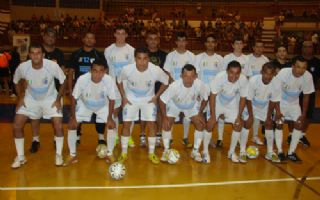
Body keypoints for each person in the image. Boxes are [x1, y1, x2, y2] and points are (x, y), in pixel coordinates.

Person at [11, 44, 66, 168]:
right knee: (16, 125)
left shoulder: (52, 66)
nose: (36, 55)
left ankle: (58, 154)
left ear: (43, 54)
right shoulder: (23, 67)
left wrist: (58, 100)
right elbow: (15, 81)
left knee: (58, 125)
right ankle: (20, 157)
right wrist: (20, 97)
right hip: (30, 99)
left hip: (50, 98)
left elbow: (63, 81)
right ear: (29, 55)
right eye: (33, 53)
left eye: (38, 53)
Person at [117, 48, 169, 164]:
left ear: (148, 59)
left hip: (148, 100)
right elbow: (119, 80)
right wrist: (124, 97)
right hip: (130, 99)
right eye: (139, 58)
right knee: (126, 124)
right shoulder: (127, 69)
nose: (142, 62)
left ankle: (151, 153)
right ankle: (124, 152)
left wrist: (156, 97)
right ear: (135, 59)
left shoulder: (155, 70)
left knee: (151, 125)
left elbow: (166, 82)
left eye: (145, 58)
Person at [63, 59, 117, 166]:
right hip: (85, 105)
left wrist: (110, 117)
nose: (98, 74)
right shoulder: (82, 79)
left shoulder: (109, 80)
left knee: (111, 125)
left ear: (105, 71)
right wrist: (73, 117)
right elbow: (73, 98)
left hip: (102, 105)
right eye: (95, 71)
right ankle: (72, 155)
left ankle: (110, 154)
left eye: (101, 71)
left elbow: (112, 99)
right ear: (90, 71)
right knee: (72, 126)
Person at [160, 64, 208, 163]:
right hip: (175, 105)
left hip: (191, 106)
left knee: (200, 124)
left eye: (192, 76)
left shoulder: (200, 84)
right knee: (167, 124)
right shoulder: (174, 86)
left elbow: (205, 98)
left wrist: (200, 113)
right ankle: (166, 151)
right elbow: (162, 100)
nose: (189, 79)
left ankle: (195, 151)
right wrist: (164, 117)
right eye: (186, 76)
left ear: (196, 76)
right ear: (181, 76)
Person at [29, 28, 66, 153]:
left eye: (53, 36)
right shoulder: (37, 51)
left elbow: (62, 73)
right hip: (36, 92)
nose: (51, 38)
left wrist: (61, 94)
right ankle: (35, 140)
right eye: (48, 35)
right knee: (35, 117)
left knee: (56, 119)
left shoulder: (59, 53)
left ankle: (56, 138)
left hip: (54, 92)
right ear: (43, 36)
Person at [68, 31, 106, 145]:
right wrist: (70, 90)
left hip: (96, 89)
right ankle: (77, 135)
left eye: (92, 38)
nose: (89, 40)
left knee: (98, 113)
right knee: (78, 113)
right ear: (83, 39)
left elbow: (105, 72)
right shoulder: (76, 53)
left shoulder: (99, 54)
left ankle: (101, 137)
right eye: (87, 38)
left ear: (94, 41)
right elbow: (70, 72)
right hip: (80, 90)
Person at [274, 56, 315, 162]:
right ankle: (279, 152)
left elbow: (306, 96)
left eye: (304, 67)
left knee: (299, 124)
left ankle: (291, 153)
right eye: (298, 67)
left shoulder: (308, 76)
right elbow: (275, 92)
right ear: (292, 66)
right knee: (279, 124)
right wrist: (278, 111)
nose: (301, 70)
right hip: (281, 102)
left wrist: (303, 115)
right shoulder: (283, 73)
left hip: (294, 104)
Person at [207, 61, 248, 163]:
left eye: (237, 73)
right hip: (217, 102)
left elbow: (243, 98)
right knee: (210, 124)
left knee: (238, 125)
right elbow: (212, 96)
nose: (234, 76)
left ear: (240, 73)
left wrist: (239, 116)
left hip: (231, 103)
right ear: (227, 71)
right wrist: (213, 116)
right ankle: (204, 151)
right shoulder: (219, 77)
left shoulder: (243, 80)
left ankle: (231, 152)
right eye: (231, 72)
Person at [164, 32, 196, 148]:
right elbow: (166, 71)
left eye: (184, 41)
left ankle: (185, 138)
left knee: (187, 115)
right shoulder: (170, 56)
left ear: (186, 42)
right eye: (179, 41)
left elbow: (194, 73)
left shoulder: (192, 56)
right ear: (176, 42)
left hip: (188, 91)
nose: (181, 43)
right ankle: (170, 138)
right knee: (171, 115)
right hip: (174, 91)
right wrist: (174, 83)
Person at [104, 25, 135, 147]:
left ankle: (129, 136)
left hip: (128, 86)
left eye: (123, 33)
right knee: (114, 112)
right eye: (118, 33)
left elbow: (134, 70)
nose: (120, 36)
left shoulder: (132, 50)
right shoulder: (108, 50)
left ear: (126, 35)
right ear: (115, 34)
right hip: (112, 86)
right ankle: (116, 136)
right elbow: (106, 69)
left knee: (129, 112)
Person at [216, 36, 250, 148]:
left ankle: (238, 139)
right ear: (233, 45)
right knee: (221, 115)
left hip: (240, 91)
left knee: (238, 116)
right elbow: (223, 74)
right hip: (227, 91)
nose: (239, 45)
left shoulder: (247, 59)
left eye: (241, 43)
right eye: (237, 43)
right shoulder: (226, 58)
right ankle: (220, 138)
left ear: (243, 45)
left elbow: (248, 75)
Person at [287, 41, 320, 147]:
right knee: (293, 114)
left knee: (308, 115)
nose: (307, 49)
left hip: (309, 92)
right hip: (295, 92)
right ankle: (291, 134)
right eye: (305, 46)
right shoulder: (296, 60)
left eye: (309, 47)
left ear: (312, 48)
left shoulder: (317, 62)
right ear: (302, 48)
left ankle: (301, 135)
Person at [195, 33, 223, 154]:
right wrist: (197, 90)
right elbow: (195, 75)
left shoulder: (220, 59)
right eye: (208, 41)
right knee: (200, 115)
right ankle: (199, 139)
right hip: (202, 91)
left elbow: (222, 77)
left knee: (213, 115)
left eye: (213, 41)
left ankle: (210, 138)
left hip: (215, 93)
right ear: (205, 44)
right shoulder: (198, 58)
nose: (210, 44)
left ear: (216, 44)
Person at [247, 62, 281, 162]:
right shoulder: (253, 80)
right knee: (245, 124)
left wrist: (268, 117)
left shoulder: (277, 83)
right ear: (262, 72)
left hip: (265, 105)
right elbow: (248, 99)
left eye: (271, 74)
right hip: (252, 104)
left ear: (274, 74)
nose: (268, 76)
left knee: (269, 124)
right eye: (266, 73)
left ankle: (269, 152)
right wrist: (250, 116)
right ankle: (242, 151)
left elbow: (273, 101)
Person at [140, 30, 167, 147]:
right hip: (144, 87)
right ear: (146, 40)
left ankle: (159, 135)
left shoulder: (164, 55)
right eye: (150, 38)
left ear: (158, 41)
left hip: (159, 88)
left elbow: (166, 74)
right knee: (145, 113)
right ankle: (142, 135)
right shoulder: (142, 54)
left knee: (160, 112)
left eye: (155, 39)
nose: (153, 41)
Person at [245, 40, 269, 145]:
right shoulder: (247, 58)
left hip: (262, 92)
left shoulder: (266, 60)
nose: (259, 49)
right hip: (249, 91)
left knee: (258, 115)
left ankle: (255, 136)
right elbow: (246, 75)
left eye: (261, 47)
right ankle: (242, 136)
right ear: (253, 47)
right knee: (247, 115)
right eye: (257, 46)